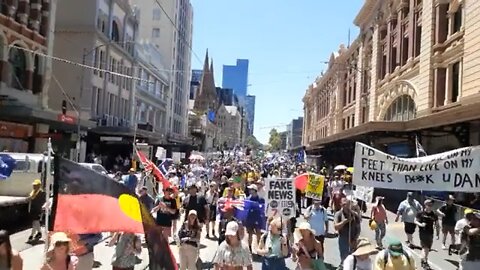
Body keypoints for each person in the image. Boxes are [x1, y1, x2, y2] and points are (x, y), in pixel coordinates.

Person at [334, 198, 361, 264]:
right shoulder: (338, 214)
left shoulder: (354, 214)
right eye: (343, 204)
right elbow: (336, 227)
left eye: (347, 204)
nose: (345, 206)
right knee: (344, 258)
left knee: (353, 258)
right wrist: (344, 221)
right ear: (341, 205)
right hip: (343, 239)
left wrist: (355, 239)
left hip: (353, 239)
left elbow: (358, 228)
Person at [414, 199, 439, 269]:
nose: (430, 206)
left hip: (430, 233)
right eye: (428, 205)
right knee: (425, 248)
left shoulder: (434, 214)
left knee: (427, 248)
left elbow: (437, 225)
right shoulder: (420, 213)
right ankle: (425, 262)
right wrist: (421, 225)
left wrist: (438, 234)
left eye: (431, 205)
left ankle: (423, 260)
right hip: (423, 233)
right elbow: (415, 221)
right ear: (425, 205)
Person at [245, 184, 264, 252]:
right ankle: (249, 248)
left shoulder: (261, 199)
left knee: (258, 234)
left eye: (251, 189)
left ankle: (259, 248)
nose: (249, 190)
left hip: (258, 219)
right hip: (249, 219)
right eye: (249, 189)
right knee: (249, 234)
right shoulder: (247, 199)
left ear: (254, 190)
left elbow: (263, 208)